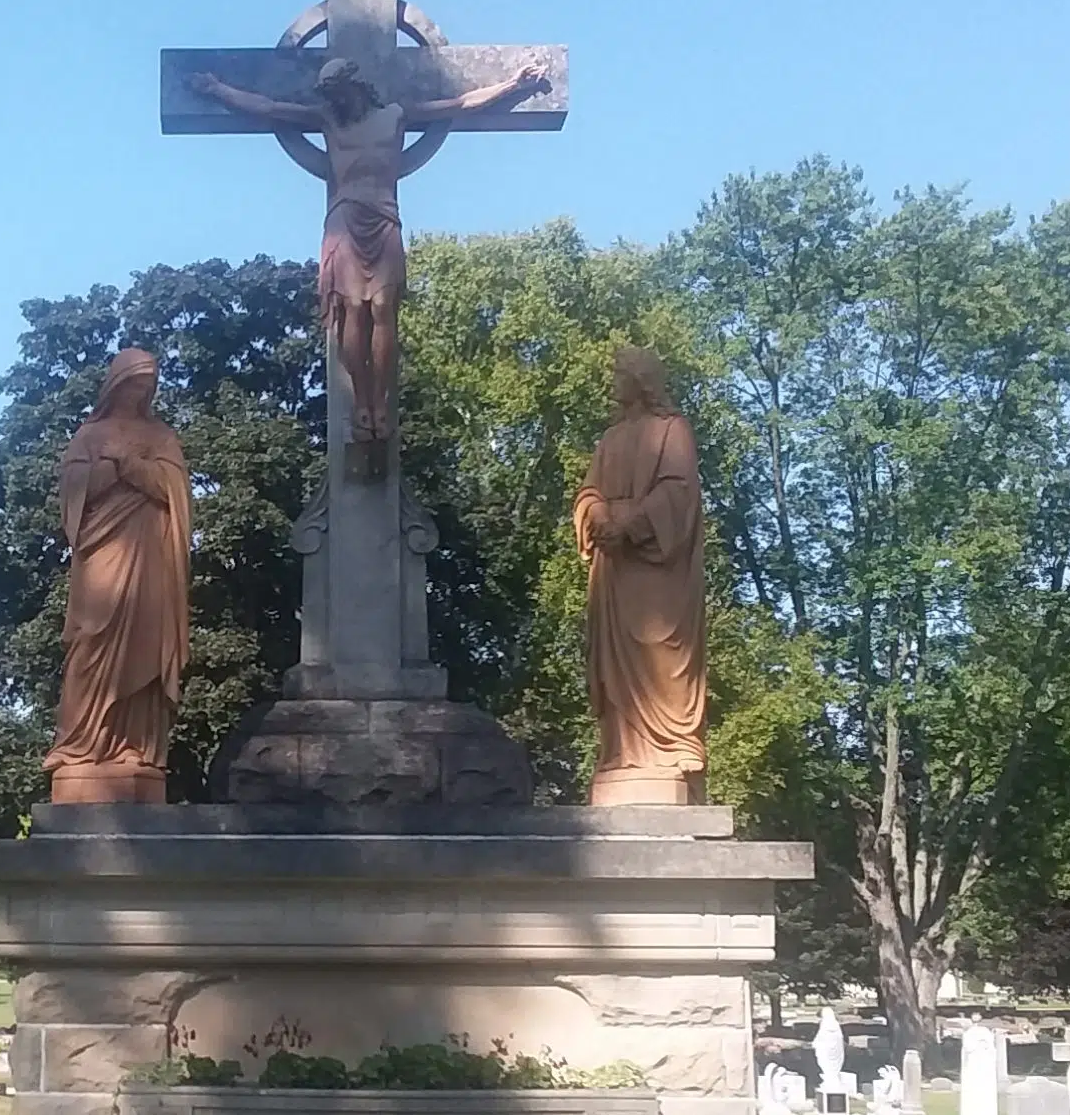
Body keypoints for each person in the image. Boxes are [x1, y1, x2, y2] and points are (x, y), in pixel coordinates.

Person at [190, 56, 548, 448]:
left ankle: (380, 401)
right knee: (351, 312)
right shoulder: (328, 121)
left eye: (338, 92)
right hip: (345, 217)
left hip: (383, 218)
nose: (335, 101)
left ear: (354, 85)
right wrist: (217, 90)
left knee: (382, 308)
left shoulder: (396, 115)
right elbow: (271, 109)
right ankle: (361, 402)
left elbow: (460, 104)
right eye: (329, 96)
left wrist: (513, 85)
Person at [44, 348, 191, 801]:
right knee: (91, 641)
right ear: (115, 385)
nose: (140, 393)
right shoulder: (89, 436)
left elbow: (176, 493)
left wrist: (130, 467)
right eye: (133, 385)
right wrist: (111, 471)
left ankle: (135, 749)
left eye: (147, 386)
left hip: (148, 555)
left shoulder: (162, 436)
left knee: (144, 644)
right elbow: (73, 495)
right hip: (101, 554)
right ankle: (77, 747)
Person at [573, 347, 707, 803]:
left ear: (640, 380)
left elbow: (678, 492)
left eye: (619, 373)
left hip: (654, 574)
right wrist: (597, 517)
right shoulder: (609, 440)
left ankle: (673, 747)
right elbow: (588, 493)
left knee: (662, 655)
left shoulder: (674, 431)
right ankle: (624, 752)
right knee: (618, 665)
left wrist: (629, 526)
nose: (613, 380)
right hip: (614, 572)